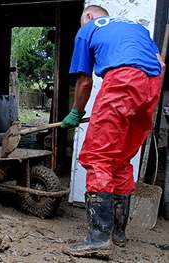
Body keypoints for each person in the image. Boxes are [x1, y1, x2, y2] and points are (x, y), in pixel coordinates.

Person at [61, 5, 165, 258]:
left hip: (123, 82)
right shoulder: (136, 28)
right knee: (119, 159)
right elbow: (161, 62)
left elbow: (84, 80)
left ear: (88, 15)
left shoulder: (89, 29)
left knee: (98, 157)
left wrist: (76, 111)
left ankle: (98, 239)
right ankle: (118, 233)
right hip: (152, 87)